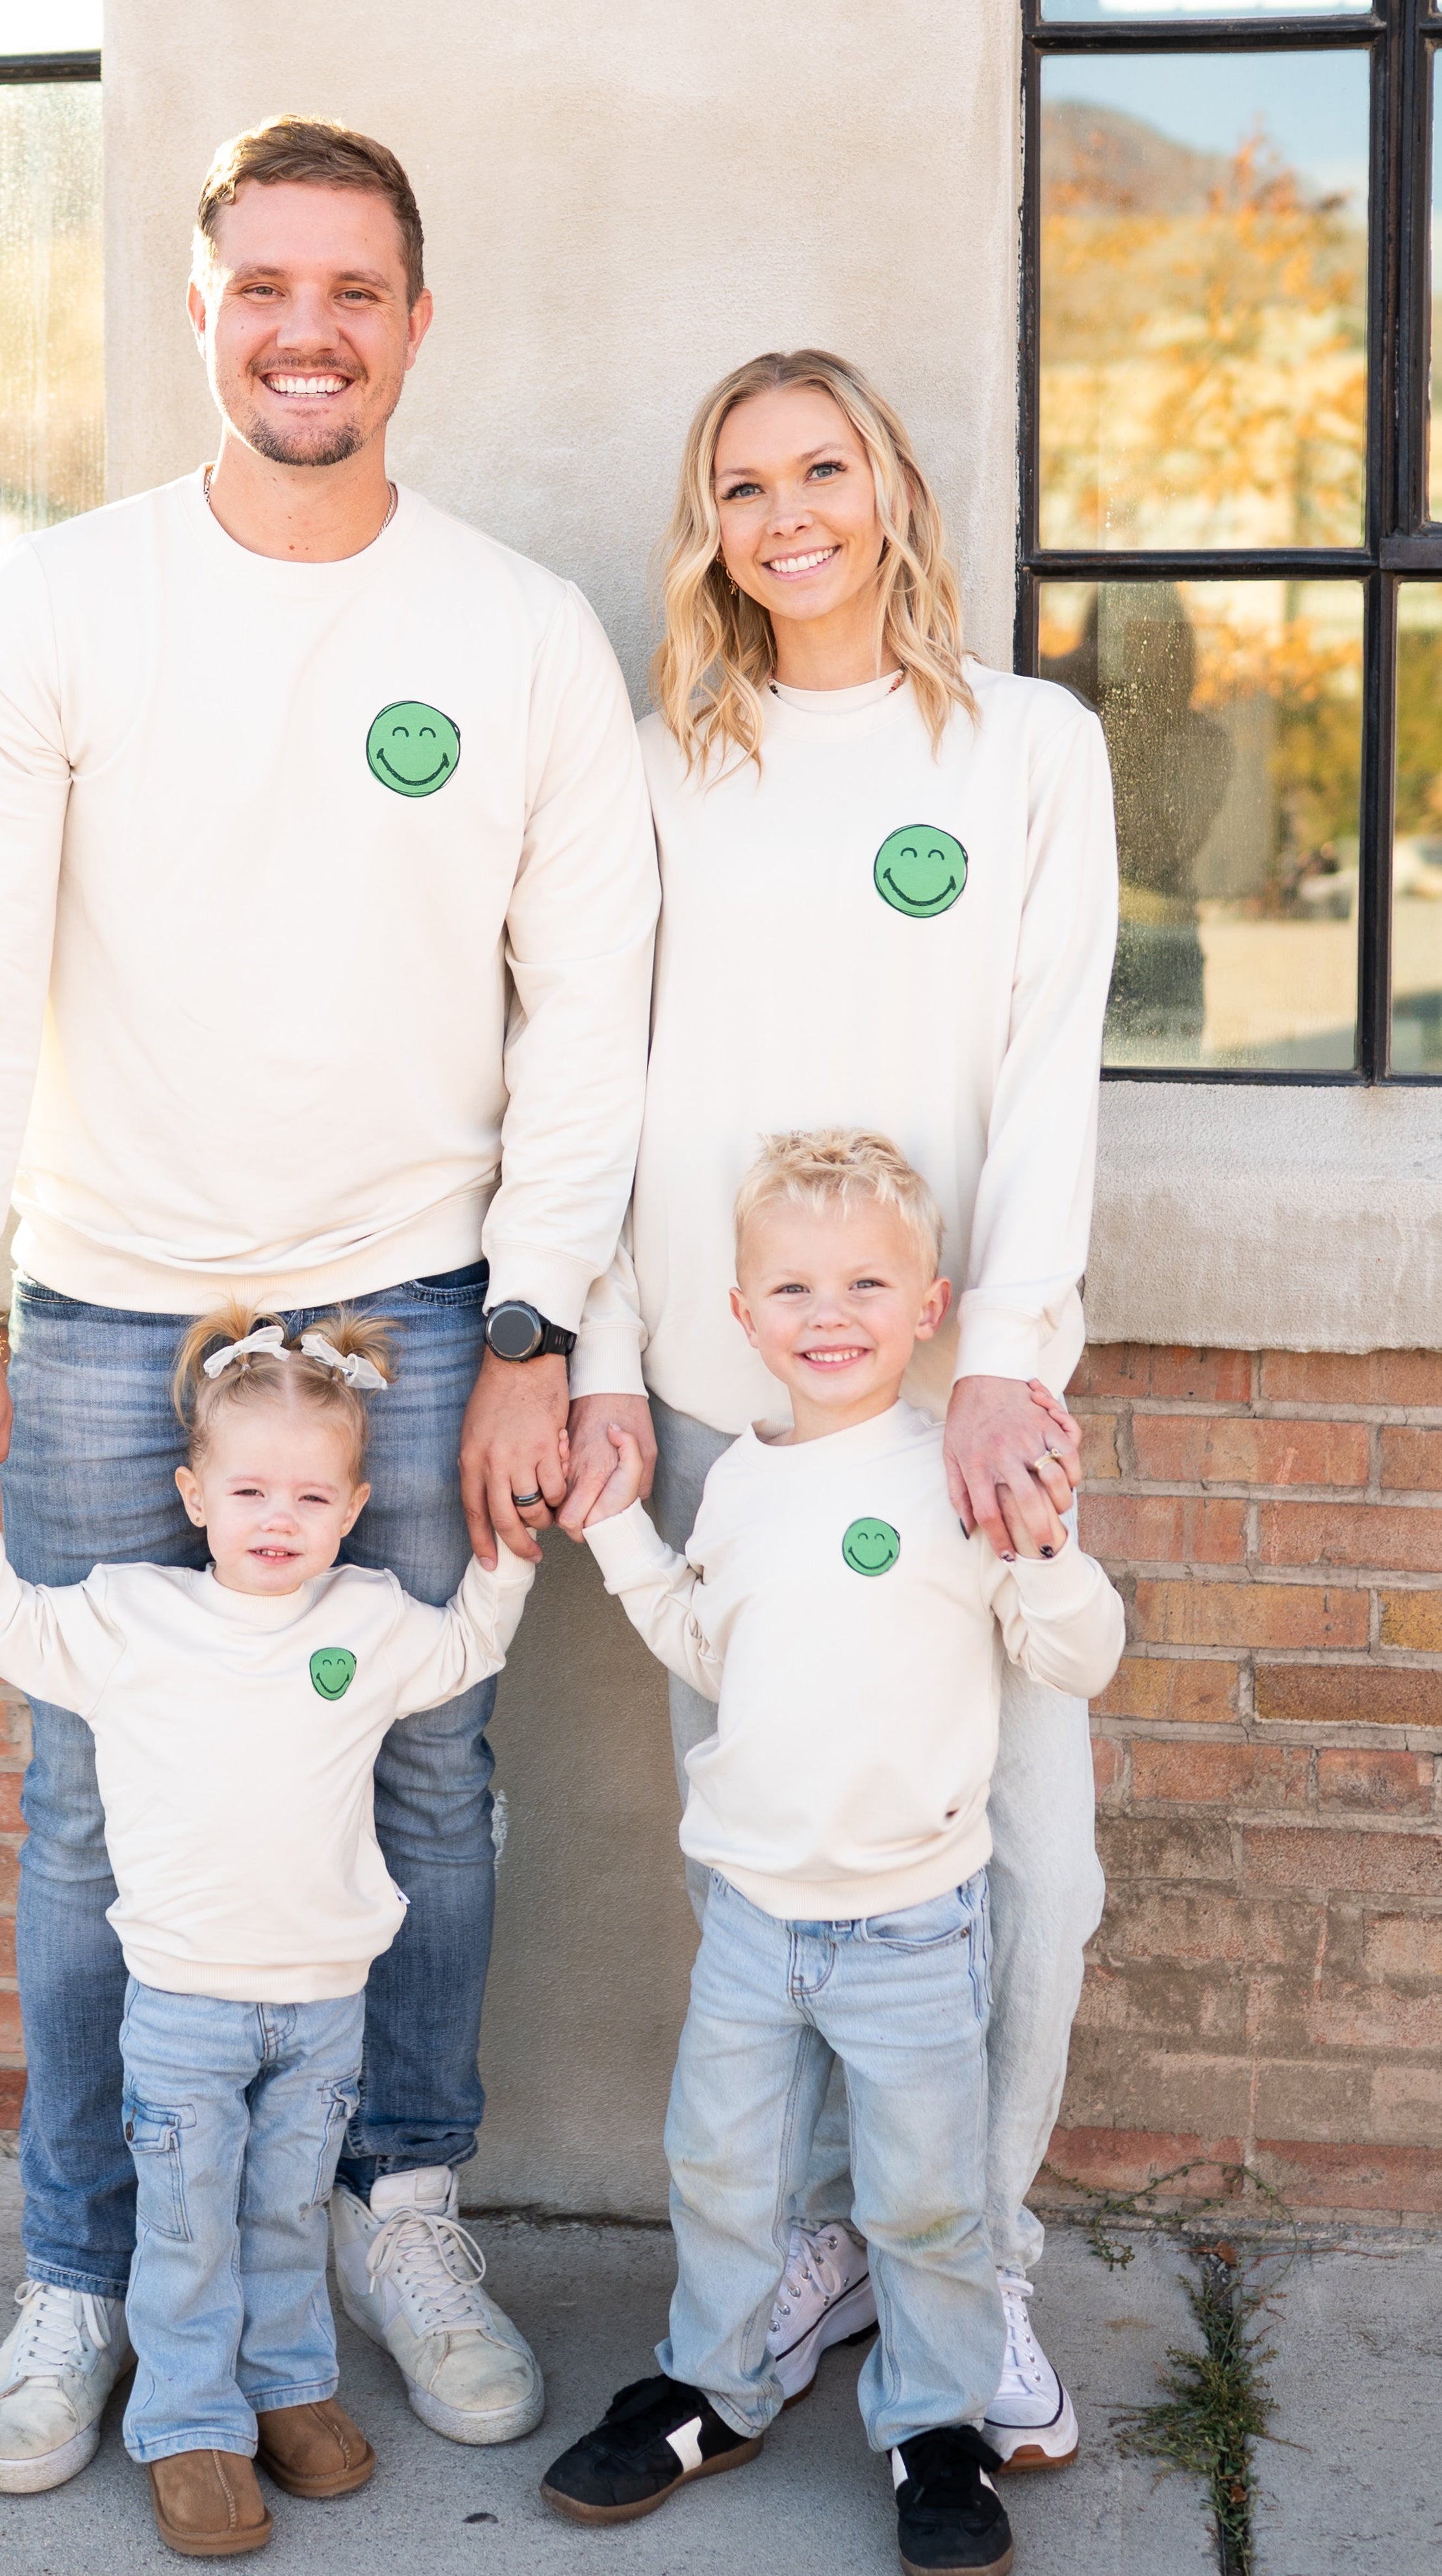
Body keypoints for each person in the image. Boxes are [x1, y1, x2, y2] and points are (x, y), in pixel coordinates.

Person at [0, 114, 658, 2488]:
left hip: (419, 1300)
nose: (306, 329)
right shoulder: (56, 609)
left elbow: (589, 1008)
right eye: (264, 287)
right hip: (110, 1295)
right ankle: (88, 2275)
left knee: (428, 1774)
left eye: (354, 290)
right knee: (89, 1797)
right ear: (203, 310)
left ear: (416, 323)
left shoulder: (511, 634)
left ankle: (392, 2203)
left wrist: (533, 1326)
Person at [561, 350, 1119, 2464]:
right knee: (783, 1891)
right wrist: (611, 1374)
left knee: (1028, 1883)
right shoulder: (652, 764)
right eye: (741, 486)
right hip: (725, 1419)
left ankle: (964, 2271)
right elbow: (593, 1098)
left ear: (883, 485)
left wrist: (1002, 1364)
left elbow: (1050, 1065)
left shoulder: (1024, 751)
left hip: (957, 1411)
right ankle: (821, 2254)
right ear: (706, 527)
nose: (785, 513)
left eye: (819, 469)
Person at [544, 1132, 1123, 2576]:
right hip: (749, 1919)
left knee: (922, 2199)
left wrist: (1050, 1549)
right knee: (720, 2169)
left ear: (930, 1306)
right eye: (792, 1284)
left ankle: (932, 2426)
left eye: (866, 1280)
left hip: (908, 1926)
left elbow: (1077, 1650)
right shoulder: (737, 1481)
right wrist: (621, 1535)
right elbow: (702, 1643)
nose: (828, 1311)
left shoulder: (957, 1470)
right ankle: (710, 2388)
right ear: (740, 1314)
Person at [0, 1309, 538, 2555]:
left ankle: (285, 2391)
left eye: (311, 1495)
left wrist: (510, 1550)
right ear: (192, 1494)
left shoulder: (365, 1622)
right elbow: (10, 1630)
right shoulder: (132, 1617)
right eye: (250, 1488)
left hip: (323, 2009)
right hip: (184, 2004)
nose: (279, 1517)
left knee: (282, 2213)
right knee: (187, 2218)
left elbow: (465, 1646)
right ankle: (189, 2421)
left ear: (355, 1504)